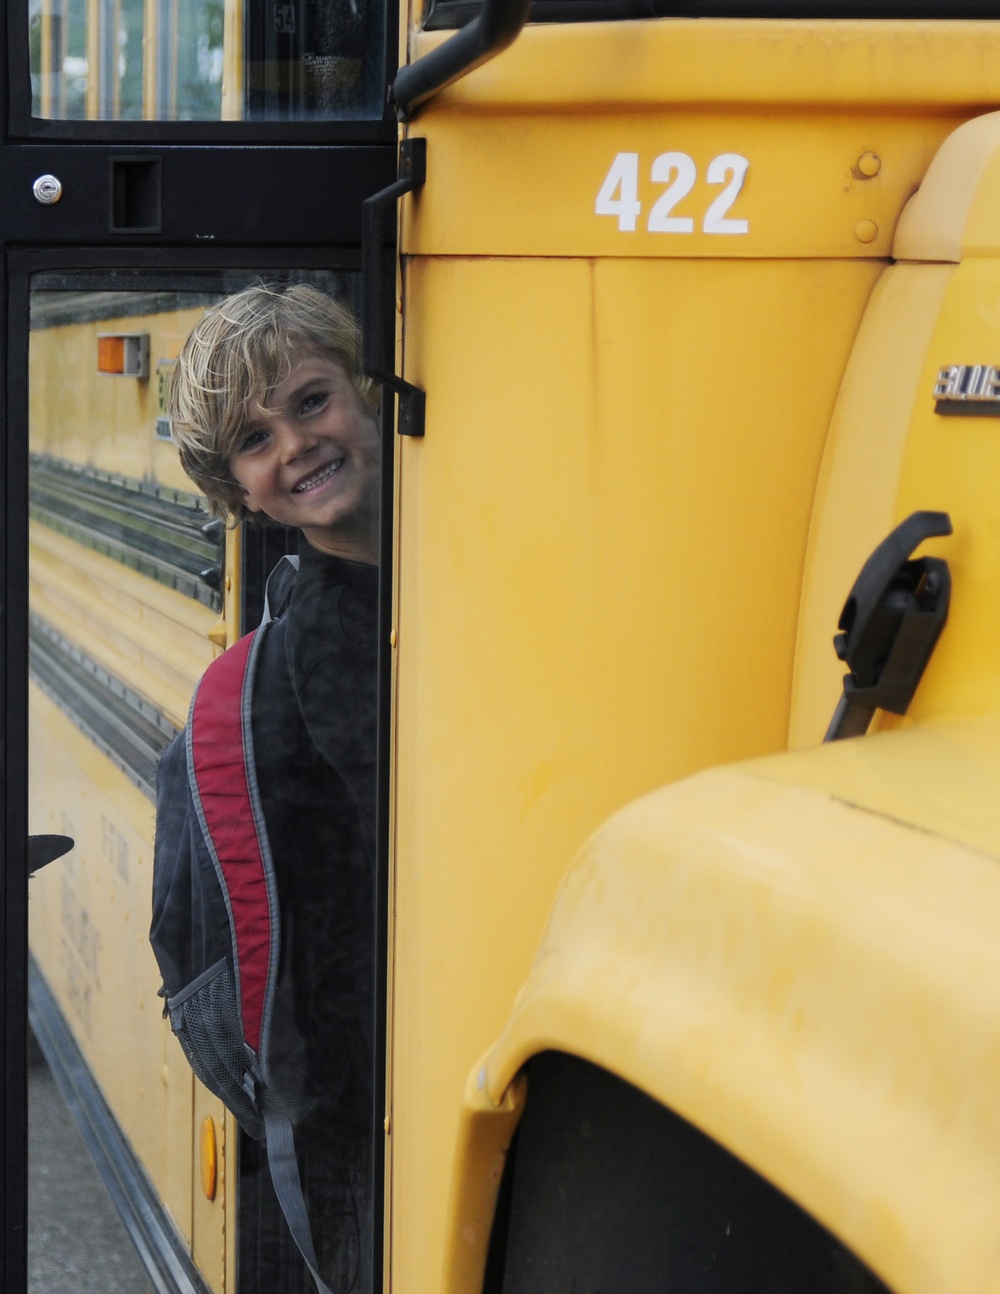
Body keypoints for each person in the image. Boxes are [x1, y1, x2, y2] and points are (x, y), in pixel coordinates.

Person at [168, 282, 380, 1293]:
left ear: (371, 395)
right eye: (256, 439)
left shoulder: (472, 565)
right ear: (241, 494)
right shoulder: (303, 664)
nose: (293, 444)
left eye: (309, 400)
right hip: (368, 1078)